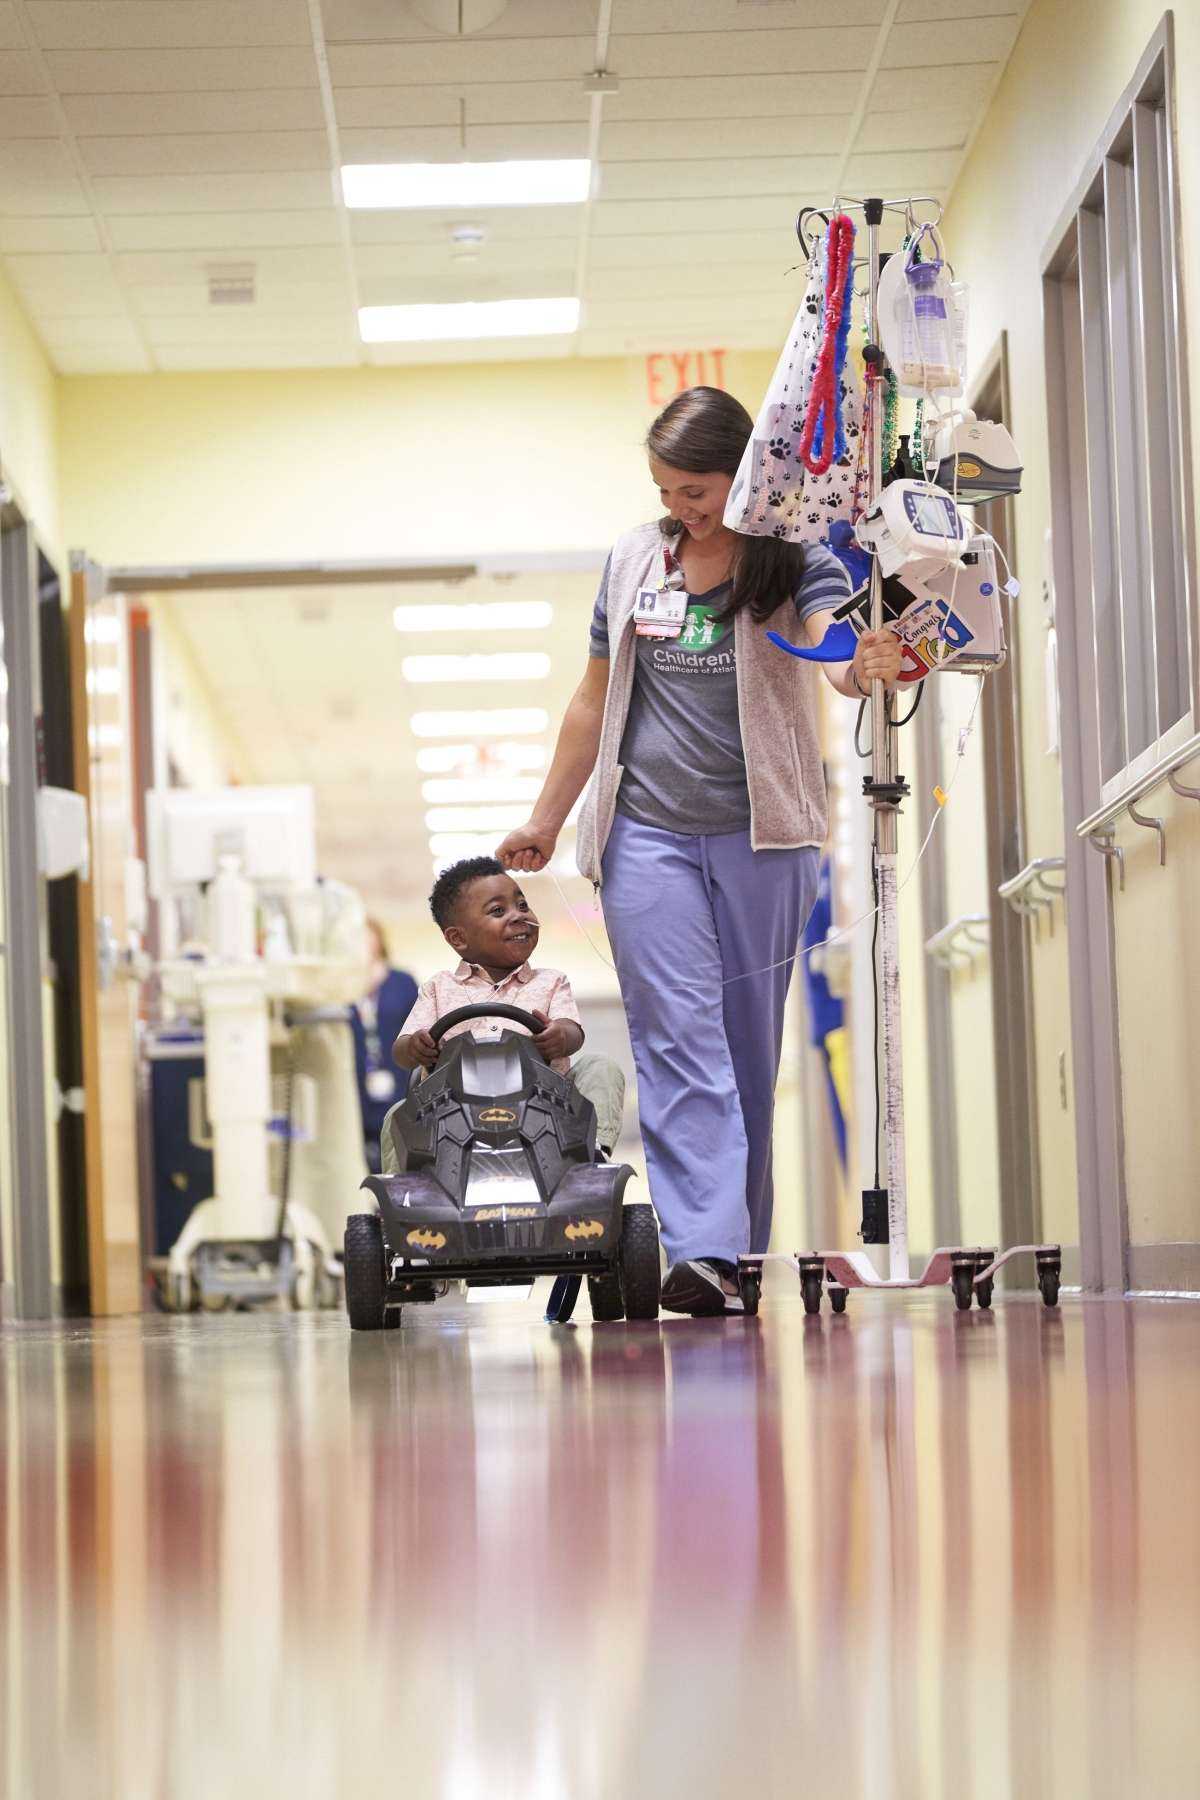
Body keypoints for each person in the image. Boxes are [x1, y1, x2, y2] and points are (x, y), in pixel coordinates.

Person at [498, 385, 902, 1317]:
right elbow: (594, 699)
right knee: (679, 1041)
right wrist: (547, 819)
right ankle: (706, 1252)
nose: (680, 510)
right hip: (645, 835)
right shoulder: (633, 559)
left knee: (746, 1055)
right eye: (665, 491)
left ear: (745, 475)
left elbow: (834, 647)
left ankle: (735, 1257)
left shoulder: (794, 555)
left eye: (697, 491)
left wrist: (864, 664)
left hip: (766, 837)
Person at [387, 857, 623, 1167]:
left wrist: (560, 1036)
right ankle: (408, 1182)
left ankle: (591, 1154)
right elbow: (401, 1052)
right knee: (397, 1113)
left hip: (546, 1105)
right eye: (498, 911)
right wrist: (414, 1046)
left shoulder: (551, 981)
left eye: (523, 906)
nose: (518, 916)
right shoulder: (438, 988)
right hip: (454, 1110)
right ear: (459, 938)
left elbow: (572, 1031)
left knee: (601, 1067)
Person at [351, 918, 418, 1173]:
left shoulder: (401, 981)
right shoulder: (342, 987)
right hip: (358, 1088)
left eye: (366, 934)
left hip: (398, 1079)